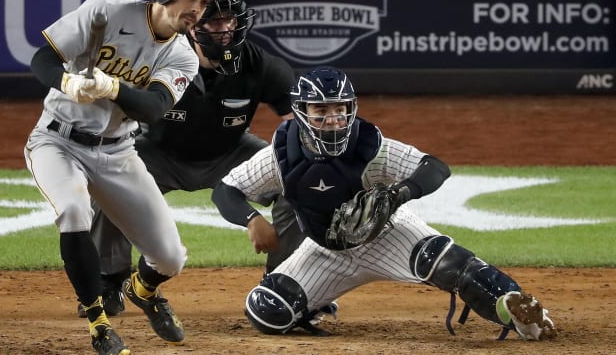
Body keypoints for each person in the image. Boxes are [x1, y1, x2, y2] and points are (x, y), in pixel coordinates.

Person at [211, 67, 558, 340]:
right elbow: (226, 190)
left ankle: (523, 314)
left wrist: (400, 193)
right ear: (301, 113)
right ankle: (313, 304)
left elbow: (435, 166)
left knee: (453, 266)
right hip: (323, 252)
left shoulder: (370, 147)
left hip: (386, 235)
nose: (333, 119)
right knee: (268, 311)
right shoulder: (281, 156)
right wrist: (252, 219)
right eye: (321, 111)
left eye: (340, 110)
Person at [24, 0, 218, 354]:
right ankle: (98, 324)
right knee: (75, 211)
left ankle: (143, 290)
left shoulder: (182, 55)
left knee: (170, 258)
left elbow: (152, 108)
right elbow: (42, 58)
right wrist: (68, 81)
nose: (197, 8)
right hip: (56, 142)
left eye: (203, 1)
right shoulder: (105, 11)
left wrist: (112, 88)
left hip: (118, 153)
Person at [79, 0, 302, 319]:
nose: (224, 30)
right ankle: (108, 282)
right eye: (213, 23)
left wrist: (306, 165)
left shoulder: (260, 65)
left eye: (228, 22)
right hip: (157, 152)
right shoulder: (160, 56)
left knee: (296, 177)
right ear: (193, 25)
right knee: (107, 176)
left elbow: (296, 126)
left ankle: (284, 281)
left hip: (230, 151)